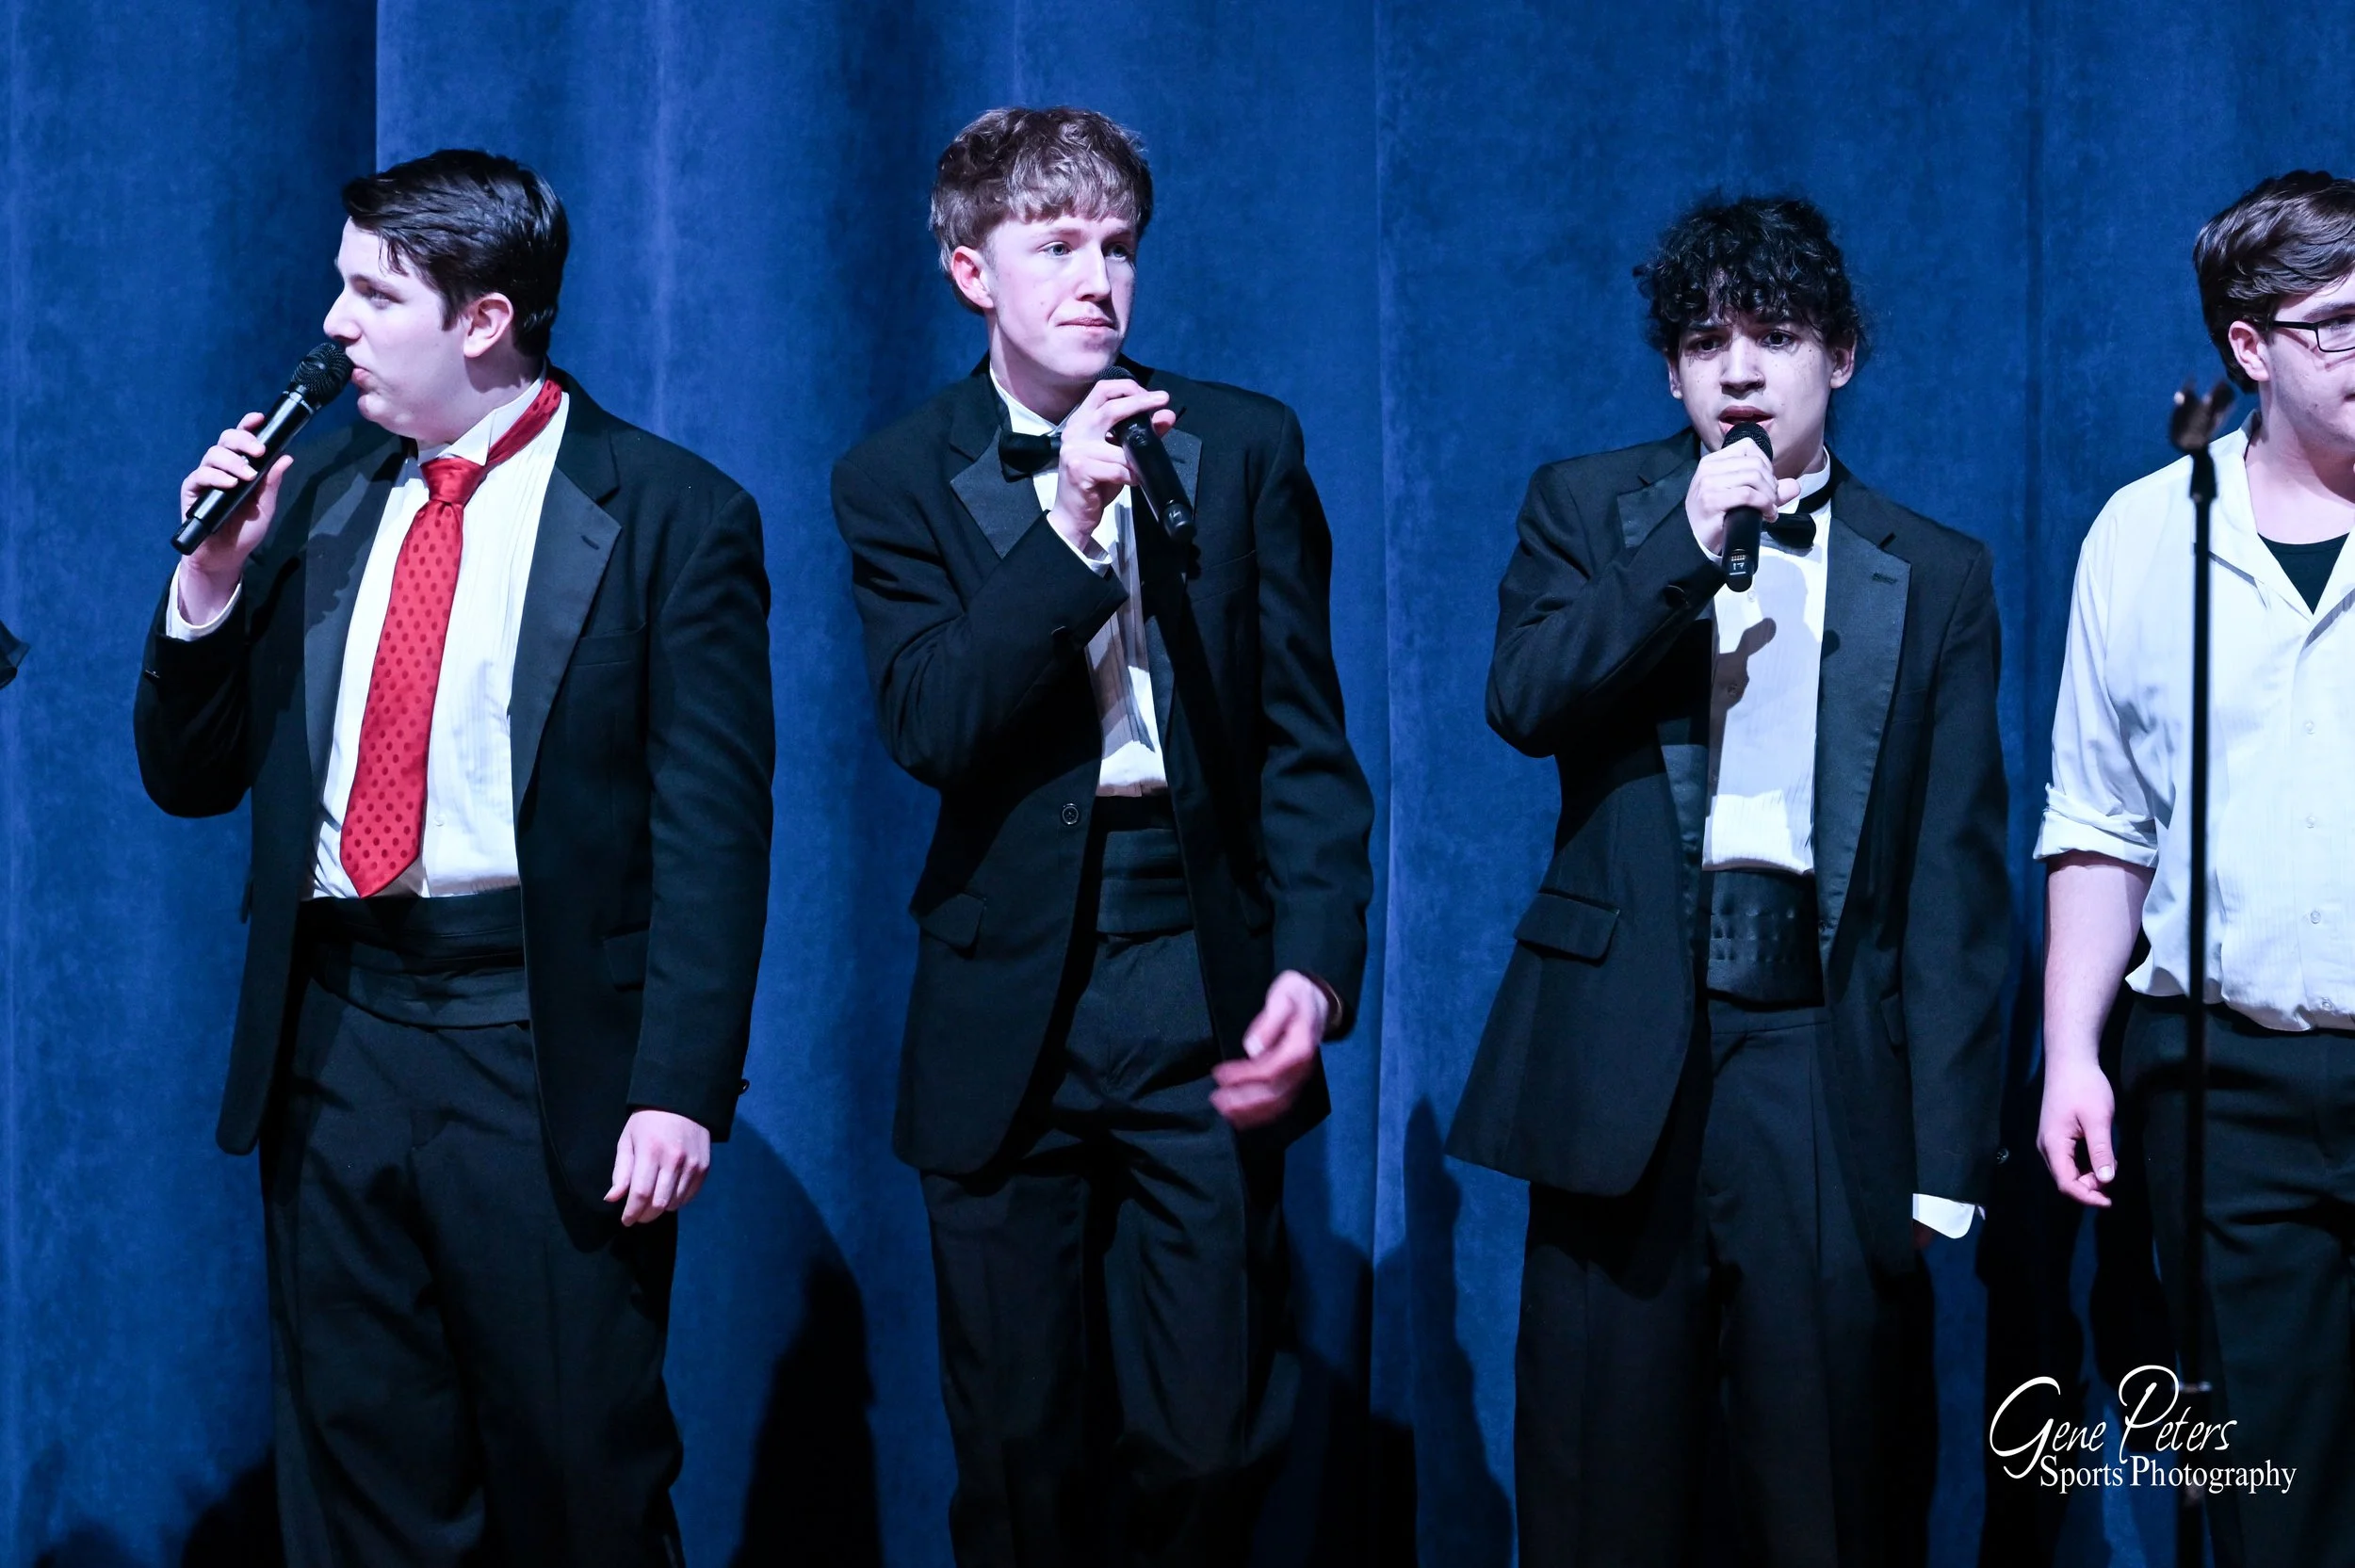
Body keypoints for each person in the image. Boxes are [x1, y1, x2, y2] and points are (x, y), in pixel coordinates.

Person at [134, 149, 773, 1566]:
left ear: (483, 319)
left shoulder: (671, 514)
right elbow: (188, 777)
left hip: (534, 1044)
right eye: (342, 286)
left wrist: (677, 1086)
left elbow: (715, 832)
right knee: (361, 1479)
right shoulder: (322, 491)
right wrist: (209, 582)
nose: (335, 324)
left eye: (375, 294)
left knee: (579, 1478)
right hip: (337, 1043)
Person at [832, 105, 1373, 1567]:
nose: (1098, 279)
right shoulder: (897, 475)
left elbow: (1305, 744)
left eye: (1119, 246)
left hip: (1191, 969)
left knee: (1207, 1445)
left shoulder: (1240, 446)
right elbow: (933, 722)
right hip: (1010, 995)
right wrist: (1067, 523)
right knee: (1022, 1463)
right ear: (970, 273)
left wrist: (1313, 966)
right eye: (1058, 245)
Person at [1448, 194, 2010, 1564]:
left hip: (1822, 1056)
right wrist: (1683, 551)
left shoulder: (1936, 572)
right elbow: (1525, 699)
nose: (1741, 371)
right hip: (1626, 1044)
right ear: (1672, 373)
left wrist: (1945, 1155)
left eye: (1778, 336)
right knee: (1602, 1484)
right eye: (1707, 344)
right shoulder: (1588, 508)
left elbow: (1954, 882)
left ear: (1842, 357)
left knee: (1830, 1486)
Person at [2037, 169, 2355, 1568]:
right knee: (2272, 1513)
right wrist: (2070, 1055)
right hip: (2229, 1085)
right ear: (2249, 348)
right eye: (2339, 324)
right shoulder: (2143, 535)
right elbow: (2101, 825)